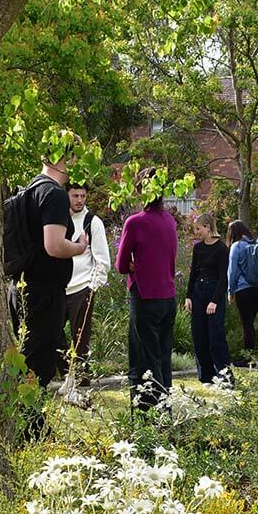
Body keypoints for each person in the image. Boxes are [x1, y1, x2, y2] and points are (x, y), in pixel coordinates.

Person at [9, 154, 90, 393]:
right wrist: (79, 247)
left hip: (22, 288)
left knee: (28, 364)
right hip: (42, 293)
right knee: (37, 369)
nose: (79, 163)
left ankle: (31, 428)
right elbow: (53, 246)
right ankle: (30, 428)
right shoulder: (53, 193)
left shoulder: (31, 189)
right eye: (76, 156)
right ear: (65, 158)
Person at [114, 168, 178, 409]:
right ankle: (165, 410)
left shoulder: (135, 222)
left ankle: (145, 413)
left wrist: (134, 265)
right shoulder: (170, 220)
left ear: (140, 190)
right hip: (168, 297)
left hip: (145, 296)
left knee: (143, 359)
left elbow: (120, 265)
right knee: (162, 358)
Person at [61, 183, 110, 391]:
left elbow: (102, 260)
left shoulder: (93, 222)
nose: (80, 200)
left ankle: (80, 383)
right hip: (59, 288)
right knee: (53, 334)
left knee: (81, 339)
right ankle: (66, 375)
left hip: (82, 288)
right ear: (67, 196)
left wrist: (93, 286)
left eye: (82, 195)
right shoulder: (59, 220)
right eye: (75, 196)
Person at [185, 213, 231, 384]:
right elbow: (193, 273)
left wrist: (215, 301)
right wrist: (188, 296)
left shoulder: (221, 249)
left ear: (207, 227)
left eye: (198, 228)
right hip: (198, 292)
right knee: (199, 335)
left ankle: (225, 376)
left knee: (216, 336)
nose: (196, 232)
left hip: (214, 292)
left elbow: (223, 278)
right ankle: (206, 375)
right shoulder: (198, 248)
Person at [226, 219, 258, 364]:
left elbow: (232, 271)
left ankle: (247, 358)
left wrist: (230, 291)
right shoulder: (256, 244)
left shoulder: (236, 246)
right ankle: (249, 356)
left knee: (246, 324)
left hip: (244, 290)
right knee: (250, 323)